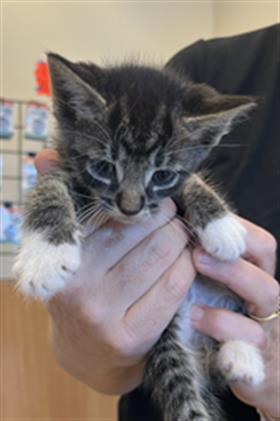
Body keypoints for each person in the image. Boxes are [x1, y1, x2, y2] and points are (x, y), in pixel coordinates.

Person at [35, 24, 280, 420]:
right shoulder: (211, 65)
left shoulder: (204, 114)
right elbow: (96, 362)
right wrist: (82, 344)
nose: (130, 204)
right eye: (105, 168)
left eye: (160, 177)